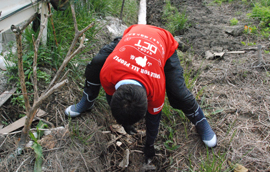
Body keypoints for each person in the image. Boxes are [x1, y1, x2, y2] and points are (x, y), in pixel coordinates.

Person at [65, 24, 217, 162]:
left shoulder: (156, 87)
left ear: (147, 99)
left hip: (162, 40)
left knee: (179, 93)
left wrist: (149, 144)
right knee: (95, 64)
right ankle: (88, 100)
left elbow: (154, 118)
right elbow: (111, 97)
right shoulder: (107, 72)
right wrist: (124, 122)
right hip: (133, 35)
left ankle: (200, 120)